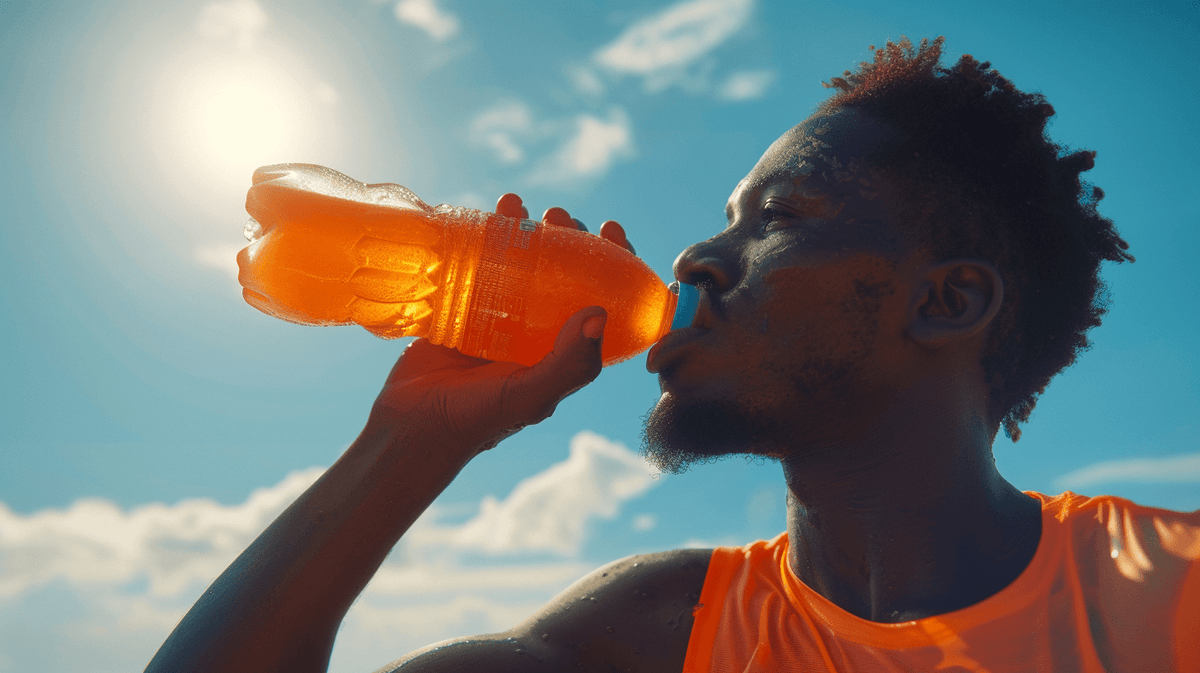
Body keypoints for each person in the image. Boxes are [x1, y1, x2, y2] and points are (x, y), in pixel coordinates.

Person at [146, 37, 1199, 673]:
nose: (698, 253)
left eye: (777, 214)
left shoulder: (1165, 592)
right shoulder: (656, 637)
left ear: (947, 299)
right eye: (723, 216)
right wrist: (407, 446)